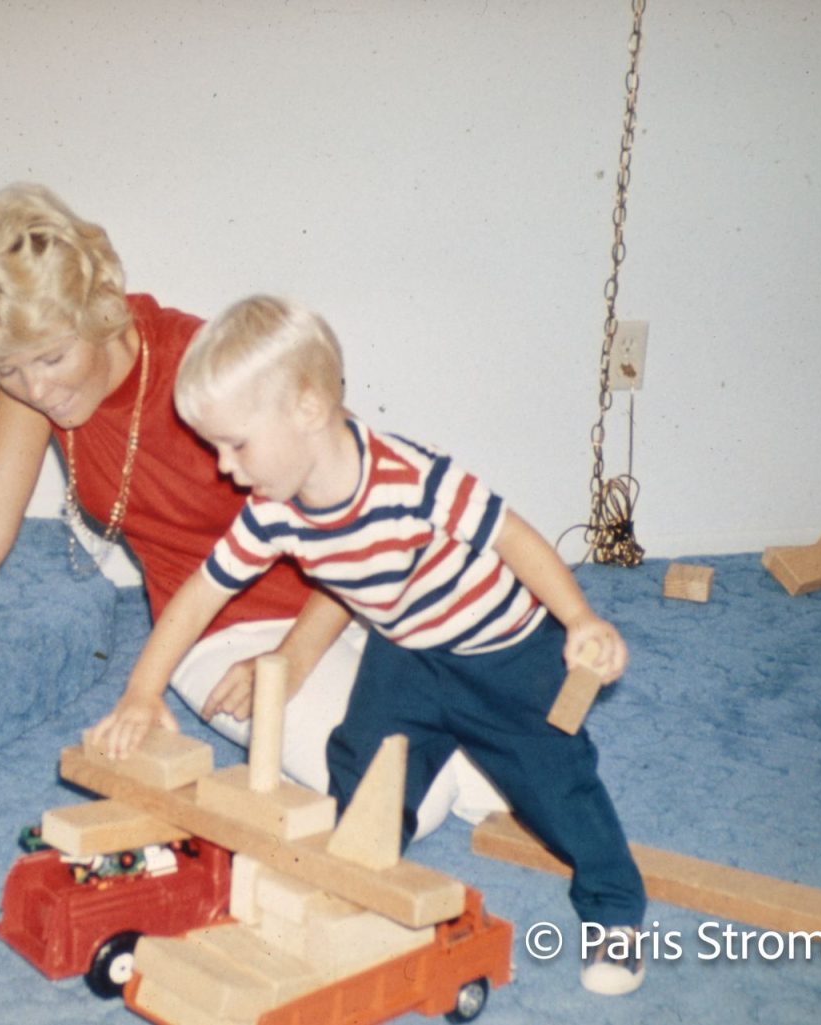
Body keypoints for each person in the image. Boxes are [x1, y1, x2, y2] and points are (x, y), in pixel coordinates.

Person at [0, 184, 501, 834]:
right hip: (219, 631)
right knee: (408, 798)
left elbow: (349, 508)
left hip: (347, 593)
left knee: (499, 757)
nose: (36, 389)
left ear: (100, 310)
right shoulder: (29, 393)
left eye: (51, 358)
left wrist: (297, 657)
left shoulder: (200, 370)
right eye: (6, 369)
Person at [88, 295, 648, 996]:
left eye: (236, 444)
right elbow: (201, 592)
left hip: (501, 653)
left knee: (555, 786)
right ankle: (362, 874)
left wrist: (580, 619)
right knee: (362, 763)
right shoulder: (273, 510)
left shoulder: (414, 479)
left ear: (307, 407)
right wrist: (142, 690)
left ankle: (616, 912)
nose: (225, 469)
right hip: (405, 654)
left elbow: (512, 534)